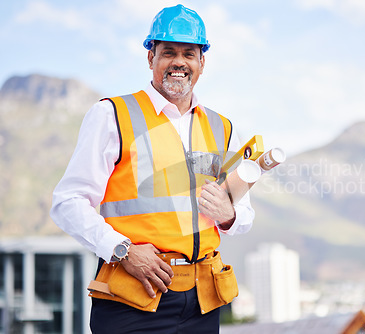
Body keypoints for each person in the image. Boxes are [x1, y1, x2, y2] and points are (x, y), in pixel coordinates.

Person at [50, 4, 254, 333]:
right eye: (168, 52)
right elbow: (67, 202)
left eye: (189, 53)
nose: (178, 62)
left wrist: (228, 213)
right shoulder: (112, 116)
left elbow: (242, 216)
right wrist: (123, 250)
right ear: (151, 58)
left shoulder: (223, 128)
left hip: (202, 303)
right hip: (133, 298)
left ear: (202, 62)